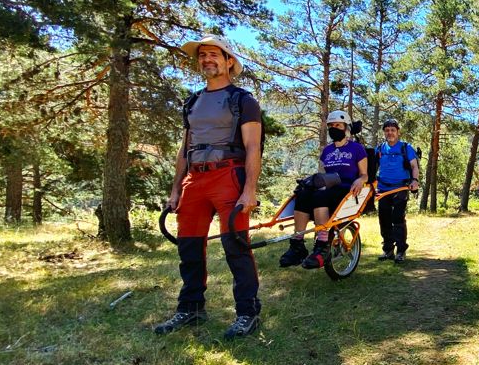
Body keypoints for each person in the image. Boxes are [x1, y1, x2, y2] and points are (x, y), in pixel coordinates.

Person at [155, 35, 263, 339]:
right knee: (189, 247)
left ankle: (247, 312)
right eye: (202, 55)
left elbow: (253, 147)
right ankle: (190, 307)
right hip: (195, 180)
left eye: (214, 54)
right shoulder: (193, 102)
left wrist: (249, 190)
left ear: (229, 61)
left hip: (229, 176)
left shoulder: (244, 101)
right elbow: (184, 149)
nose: (207, 59)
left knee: (236, 247)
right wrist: (176, 189)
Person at [278, 110, 368, 269]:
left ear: (346, 127)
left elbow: (364, 175)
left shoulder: (357, 148)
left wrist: (360, 181)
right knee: (303, 193)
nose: (334, 128)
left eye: (338, 125)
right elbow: (323, 174)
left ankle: (322, 245)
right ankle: (297, 245)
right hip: (328, 186)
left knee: (321, 195)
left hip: (346, 189)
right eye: (331, 125)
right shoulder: (327, 151)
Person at [375, 118, 420, 262]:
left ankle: (401, 251)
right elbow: (373, 167)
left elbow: (414, 166)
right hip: (383, 188)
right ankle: (388, 250)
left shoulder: (406, 148)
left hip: (401, 187)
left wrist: (415, 181)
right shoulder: (380, 148)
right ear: (384, 132)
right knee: (384, 219)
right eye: (387, 130)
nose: (390, 133)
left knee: (398, 218)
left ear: (398, 132)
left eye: (392, 130)